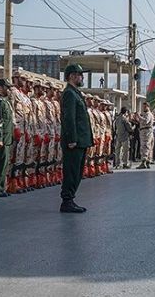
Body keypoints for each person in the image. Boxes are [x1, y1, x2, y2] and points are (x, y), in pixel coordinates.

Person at [60, 64, 92, 214]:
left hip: (81, 140)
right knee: (72, 171)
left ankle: (70, 199)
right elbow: (69, 119)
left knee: (77, 172)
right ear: (72, 76)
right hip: (74, 141)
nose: (82, 77)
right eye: (80, 74)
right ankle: (67, 200)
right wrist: (72, 139)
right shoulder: (69, 94)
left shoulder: (75, 93)